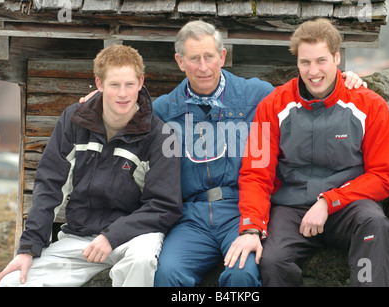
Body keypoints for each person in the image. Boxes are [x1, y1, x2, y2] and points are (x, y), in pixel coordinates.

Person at [151, 20, 365, 287]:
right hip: (191, 216)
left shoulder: (258, 95)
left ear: (223, 56)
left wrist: (345, 80)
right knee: (167, 273)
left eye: (209, 56)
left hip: (241, 208)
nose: (203, 66)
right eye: (194, 58)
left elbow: (306, 94)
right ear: (180, 62)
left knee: (242, 273)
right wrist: (98, 100)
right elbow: (124, 116)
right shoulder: (162, 110)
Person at [0, 45, 182, 287]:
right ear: (99, 84)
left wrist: (112, 237)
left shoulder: (161, 136)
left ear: (141, 82)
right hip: (80, 239)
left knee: (142, 261)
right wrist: (28, 248)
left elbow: (164, 206)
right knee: (11, 282)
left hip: (134, 238)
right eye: (114, 85)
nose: (123, 94)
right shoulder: (73, 121)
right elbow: (50, 185)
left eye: (129, 84)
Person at [234, 18, 389, 287]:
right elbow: (256, 173)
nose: (313, 71)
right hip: (290, 209)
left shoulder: (370, 105)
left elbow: (382, 176)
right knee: (272, 260)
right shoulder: (272, 105)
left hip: (349, 206)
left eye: (321, 61)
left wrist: (329, 201)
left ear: (337, 57)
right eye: (305, 62)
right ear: (297, 62)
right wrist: (252, 227)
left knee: (376, 228)